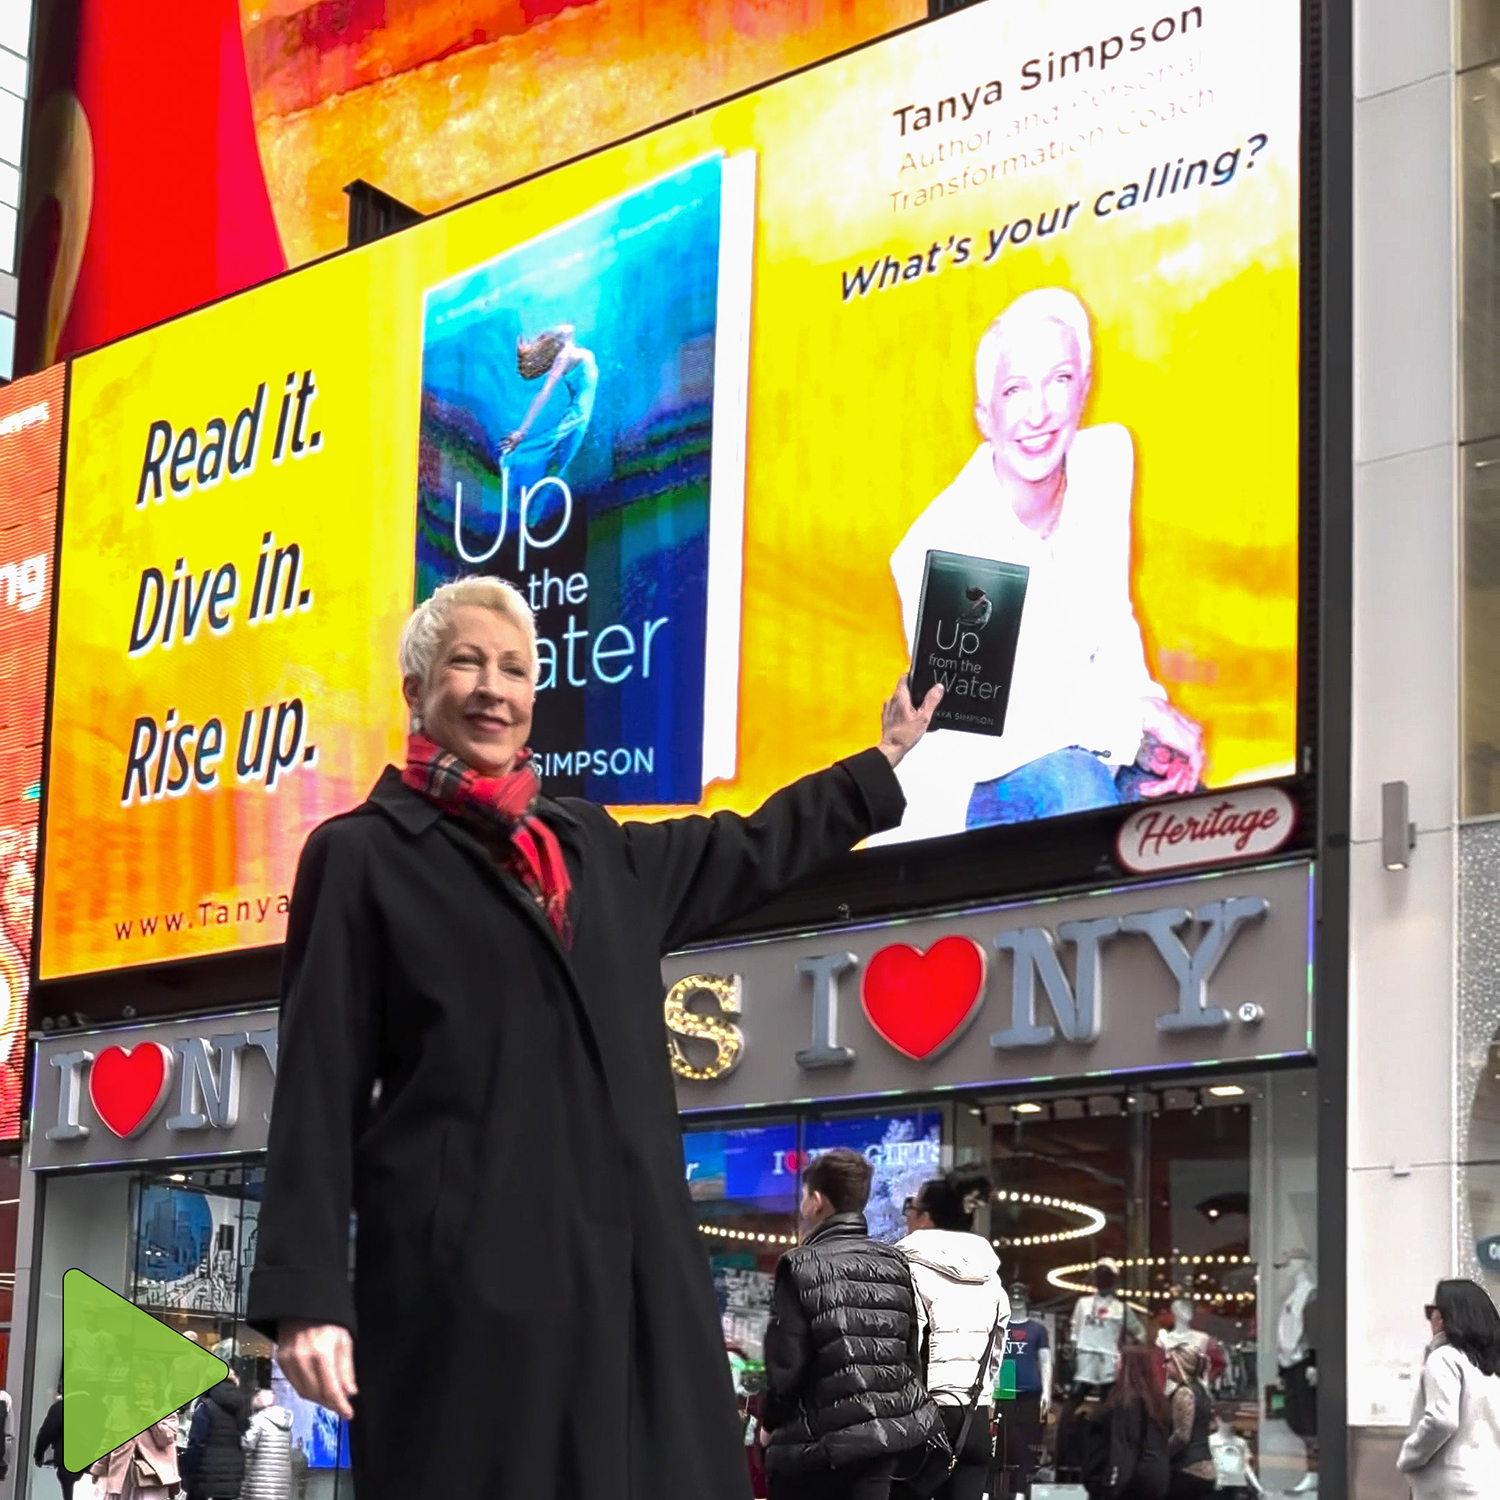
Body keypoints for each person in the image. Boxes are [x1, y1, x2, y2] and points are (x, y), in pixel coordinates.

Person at [244, 575, 942, 1500]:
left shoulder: (592, 848)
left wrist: (881, 762)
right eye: (466, 663)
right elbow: (317, 1087)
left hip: (634, 1278)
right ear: (415, 691)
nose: (494, 687)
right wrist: (306, 1299)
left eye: (515, 668)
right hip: (471, 1288)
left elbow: (748, 847)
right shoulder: (362, 856)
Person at [884, 287, 1204, 838]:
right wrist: (1137, 723)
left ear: (1084, 386)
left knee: (1178, 806)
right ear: (985, 416)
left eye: (1058, 380)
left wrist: (1150, 729)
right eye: (1015, 389)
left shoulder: (1105, 462)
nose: (1039, 413)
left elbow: (1112, 623)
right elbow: (990, 722)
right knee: (1077, 787)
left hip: (1085, 747)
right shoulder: (948, 541)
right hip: (967, 787)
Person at [760, 1148, 939, 1500]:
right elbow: (909, 1356)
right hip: (881, 1446)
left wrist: (769, 1423)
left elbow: (786, 1369)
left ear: (816, 1201)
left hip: (816, 1450)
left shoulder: (799, 1265)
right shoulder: (895, 1262)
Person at [897, 1171, 1009, 1500]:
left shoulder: (908, 1268)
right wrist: (984, 1397)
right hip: (974, 1415)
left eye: (910, 1208)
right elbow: (997, 1351)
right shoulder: (991, 1276)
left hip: (924, 1415)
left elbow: (907, 1347)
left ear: (926, 1217)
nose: (908, 1216)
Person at [1397, 1278, 1500, 1497]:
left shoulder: (1445, 1358)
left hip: (1449, 1487)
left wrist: (1410, 1456)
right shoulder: (1490, 1367)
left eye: (1431, 1311)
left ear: (1445, 1317)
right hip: (1488, 1482)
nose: (1430, 1319)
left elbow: (1441, 1420)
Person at [1077, 1346, 1170, 1500]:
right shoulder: (1156, 1401)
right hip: (1156, 1478)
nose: (1115, 1364)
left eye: (1119, 1360)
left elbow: (1124, 1446)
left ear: (1129, 1366)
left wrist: (1112, 1485)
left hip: (1132, 1483)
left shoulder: (1126, 1402)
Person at [1071, 1259, 1146, 1392]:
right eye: (1100, 1276)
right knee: (1076, 1394)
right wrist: (1074, 1349)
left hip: (1108, 1359)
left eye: (1107, 1276)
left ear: (1114, 1280)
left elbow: (1140, 1333)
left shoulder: (1120, 1308)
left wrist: (1128, 1351)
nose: (1102, 1280)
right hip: (1086, 1357)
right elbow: (1074, 1330)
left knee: (1108, 1398)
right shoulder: (1083, 1304)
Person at [181, 1378, 248, 1500]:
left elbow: (197, 1442)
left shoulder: (205, 1406)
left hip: (205, 1476)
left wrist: (186, 1472)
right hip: (233, 1475)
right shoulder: (240, 1405)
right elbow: (244, 1432)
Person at [1163, 1346, 1215, 1498]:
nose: (1164, 1366)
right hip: (1206, 1468)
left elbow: (1182, 1436)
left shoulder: (1184, 1392)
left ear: (1180, 1363)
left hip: (1187, 1470)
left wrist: (1162, 1453)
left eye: (1168, 1361)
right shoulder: (1203, 1391)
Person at [90, 1413, 180, 1500]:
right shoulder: (121, 1409)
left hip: (152, 1479)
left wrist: (150, 1416)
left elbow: (165, 1439)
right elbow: (108, 1442)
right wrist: (98, 1469)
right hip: (120, 1476)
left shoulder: (164, 1409)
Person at [34, 1390, 91, 1500]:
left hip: (68, 1460)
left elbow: (47, 1432)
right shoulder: (100, 1408)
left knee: (69, 1492)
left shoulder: (61, 1408)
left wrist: (39, 1454)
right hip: (94, 1463)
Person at [242, 1390, 293, 1500]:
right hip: (281, 1483)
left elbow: (248, 1444)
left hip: (261, 1482)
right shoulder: (285, 1422)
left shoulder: (258, 1419)